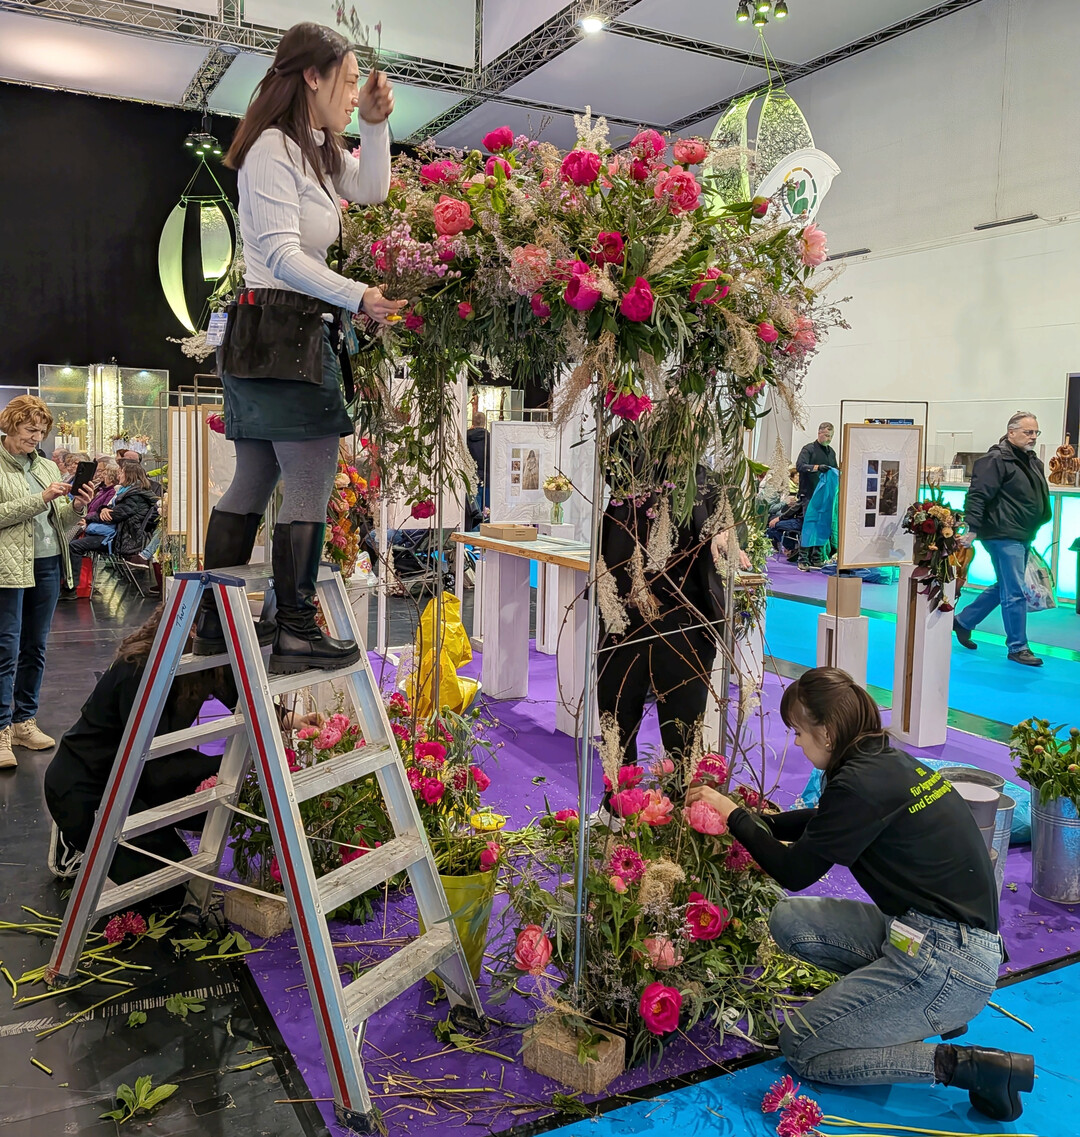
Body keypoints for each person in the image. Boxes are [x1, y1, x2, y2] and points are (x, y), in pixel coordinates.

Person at [686, 667, 1034, 1123]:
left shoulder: (857, 782)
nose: (796, 743)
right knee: (789, 921)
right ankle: (912, 1008)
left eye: (798, 732)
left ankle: (969, 1067)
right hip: (926, 934)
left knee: (803, 1046)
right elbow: (824, 821)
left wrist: (733, 816)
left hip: (950, 962)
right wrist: (756, 822)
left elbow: (794, 871)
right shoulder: (882, 761)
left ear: (827, 732)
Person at [196, 21, 406, 672]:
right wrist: (357, 293)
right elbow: (284, 256)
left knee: (256, 476)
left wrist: (373, 125)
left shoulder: (310, 149)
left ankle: (216, 622)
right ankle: (293, 627)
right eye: (345, 84)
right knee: (311, 476)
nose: (351, 94)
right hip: (285, 333)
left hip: (271, 337)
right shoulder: (271, 151)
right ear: (310, 77)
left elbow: (372, 188)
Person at [43, 607, 233, 897]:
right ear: (194, 629)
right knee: (174, 891)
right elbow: (154, 768)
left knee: (185, 873)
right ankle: (75, 834)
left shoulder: (206, 655)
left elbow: (237, 694)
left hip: (133, 782)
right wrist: (224, 771)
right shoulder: (138, 670)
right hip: (88, 787)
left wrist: (286, 718)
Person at [597, 446, 750, 781]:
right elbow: (614, 455)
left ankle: (682, 811)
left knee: (683, 732)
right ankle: (619, 804)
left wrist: (723, 534)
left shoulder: (706, 483)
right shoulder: (628, 481)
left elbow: (729, 532)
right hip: (626, 622)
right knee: (617, 722)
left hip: (685, 623)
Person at [0, 396, 93, 768]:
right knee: (6, 650)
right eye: (29, 430)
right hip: (8, 568)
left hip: (49, 565)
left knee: (35, 648)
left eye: (41, 431)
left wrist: (78, 508)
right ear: (10, 426)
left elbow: (62, 524)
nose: (36, 438)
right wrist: (40, 498)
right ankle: (1, 729)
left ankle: (24, 720)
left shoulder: (45, 467)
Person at [953, 412, 1051, 667]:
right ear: (1011, 432)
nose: (1033, 437)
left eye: (1035, 432)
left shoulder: (1032, 461)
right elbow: (977, 496)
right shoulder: (995, 459)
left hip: (1022, 533)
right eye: (1028, 432)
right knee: (1015, 590)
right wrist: (972, 529)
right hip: (1001, 534)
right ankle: (1018, 646)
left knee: (1006, 585)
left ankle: (963, 620)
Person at [67, 458, 158, 590]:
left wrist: (89, 518)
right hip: (117, 533)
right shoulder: (129, 492)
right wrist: (102, 509)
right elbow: (108, 511)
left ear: (129, 475)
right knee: (75, 536)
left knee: (74, 545)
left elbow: (113, 515)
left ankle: (72, 588)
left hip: (121, 539)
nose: (118, 475)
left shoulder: (134, 496)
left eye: (121, 472)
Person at [795, 422, 838, 569]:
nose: (829, 438)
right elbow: (800, 466)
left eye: (831, 436)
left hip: (826, 496)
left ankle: (817, 557)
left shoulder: (831, 452)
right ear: (819, 433)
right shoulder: (808, 449)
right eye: (826, 435)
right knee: (809, 526)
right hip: (809, 494)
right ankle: (803, 559)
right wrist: (817, 468)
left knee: (823, 525)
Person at [466, 412, 491, 511]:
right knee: (487, 513)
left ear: (473, 422)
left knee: (472, 512)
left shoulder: (465, 437)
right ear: (484, 423)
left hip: (470, 479)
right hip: (487, 479)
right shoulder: (491, 438)